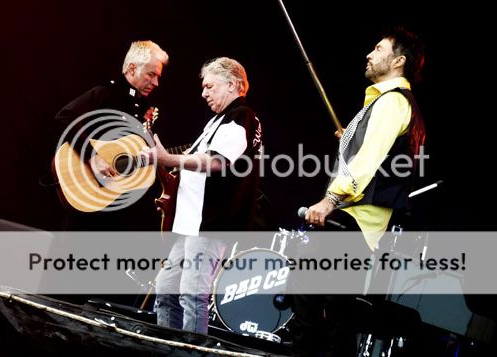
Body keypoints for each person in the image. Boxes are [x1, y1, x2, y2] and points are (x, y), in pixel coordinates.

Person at [292, 26, 426, 356]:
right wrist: (349, 138)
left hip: (355, 218)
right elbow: (377, 152)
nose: (369, 54)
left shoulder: (392, 102)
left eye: (378, 49)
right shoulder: (391, 103)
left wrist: (330, 199)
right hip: (362, 223)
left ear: (398, 61)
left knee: (308, 296)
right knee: (336, 312)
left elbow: (368, 161)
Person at [147, 57, 263, 334]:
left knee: (192, 294)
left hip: (210, 223)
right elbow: (196, 159)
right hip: (191, 224)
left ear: (233, 84)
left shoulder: (241, 116)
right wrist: (160, 160)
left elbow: (216, 162)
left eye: (210, 86)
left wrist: (167, 159)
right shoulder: (220, 120)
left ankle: (191, 350)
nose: (204, 93)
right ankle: (168, 345)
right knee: (166, 290)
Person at [54, 40, 169, 231]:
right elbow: (64, 118)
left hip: (116, 206)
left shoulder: (141, 106)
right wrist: (92, 157)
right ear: (132, 69)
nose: (156, 83)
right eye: (151, 74)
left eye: (158, 77)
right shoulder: (106, 93)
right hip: (88, 197)